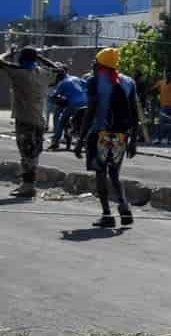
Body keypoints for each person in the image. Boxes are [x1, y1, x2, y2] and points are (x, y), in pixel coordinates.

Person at [77, 47, 141, 229]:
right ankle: (124, 206)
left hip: (100, 134)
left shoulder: (93, 81)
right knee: (114, 174)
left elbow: (89, 112)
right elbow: (134, 113)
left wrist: (80, 139)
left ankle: (107, 214)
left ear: (100, 64)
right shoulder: (128, 81)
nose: (93, 64)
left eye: (95, 61)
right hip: (121, 136)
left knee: (100, 173)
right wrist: (134, 140)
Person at [0, 46, 60, 198]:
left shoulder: (19, 73)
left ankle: (28, 187)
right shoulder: (44, 73)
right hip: (40, 121)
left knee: (26, 154)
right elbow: (59, 71)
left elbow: (0, 61)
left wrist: (10, 53)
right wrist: (40, 57)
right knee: (33, 154)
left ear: (22, 59)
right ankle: (28, 185)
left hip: (25, 120)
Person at [50, 66, 86, 151]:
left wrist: (53, 98)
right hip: (86, 102)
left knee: (62, 121)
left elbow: (54, 96)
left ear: (58, 77)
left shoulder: (62, 83)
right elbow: (86, 84)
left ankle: (55, 142)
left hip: (74, 104)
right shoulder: (75, 77)